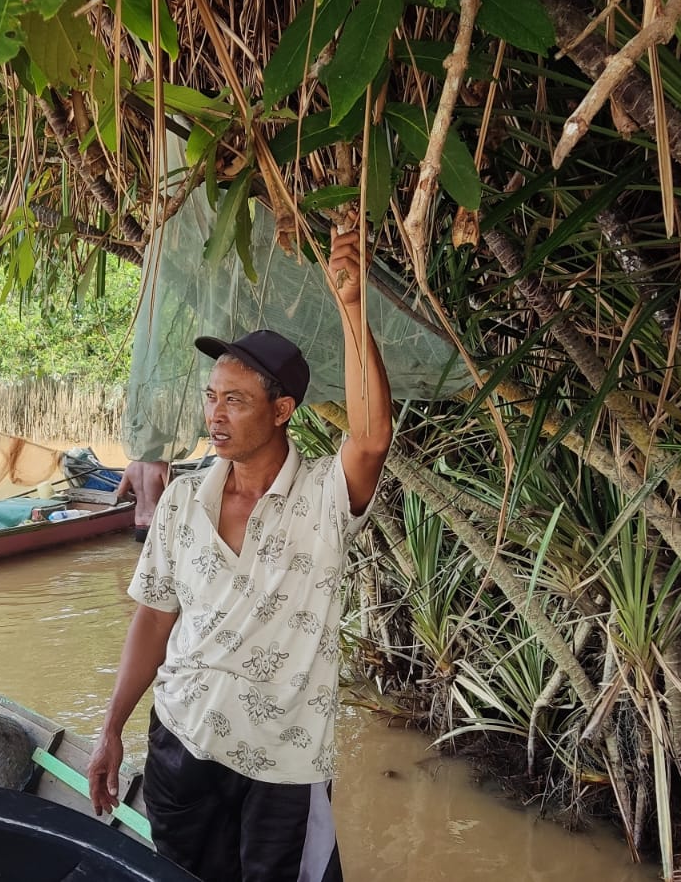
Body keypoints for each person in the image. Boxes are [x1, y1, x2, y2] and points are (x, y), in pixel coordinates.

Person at [86, 229, 390, 882]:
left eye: (236, 401)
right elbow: (154, 619)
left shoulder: (324, 499)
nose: (215, 416)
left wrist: (352, 307)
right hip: (181, 745)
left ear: (282, 411)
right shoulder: (182, 499)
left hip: (283, 767)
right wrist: (112, 727)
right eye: (210, 397)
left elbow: (369, 438)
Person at [114, 459, 170, 542]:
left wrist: (134, 498)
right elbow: (171, 492)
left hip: (139, 524)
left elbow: (120, 494)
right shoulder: (162, 466)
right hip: (156, 522)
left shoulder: (131, 467)